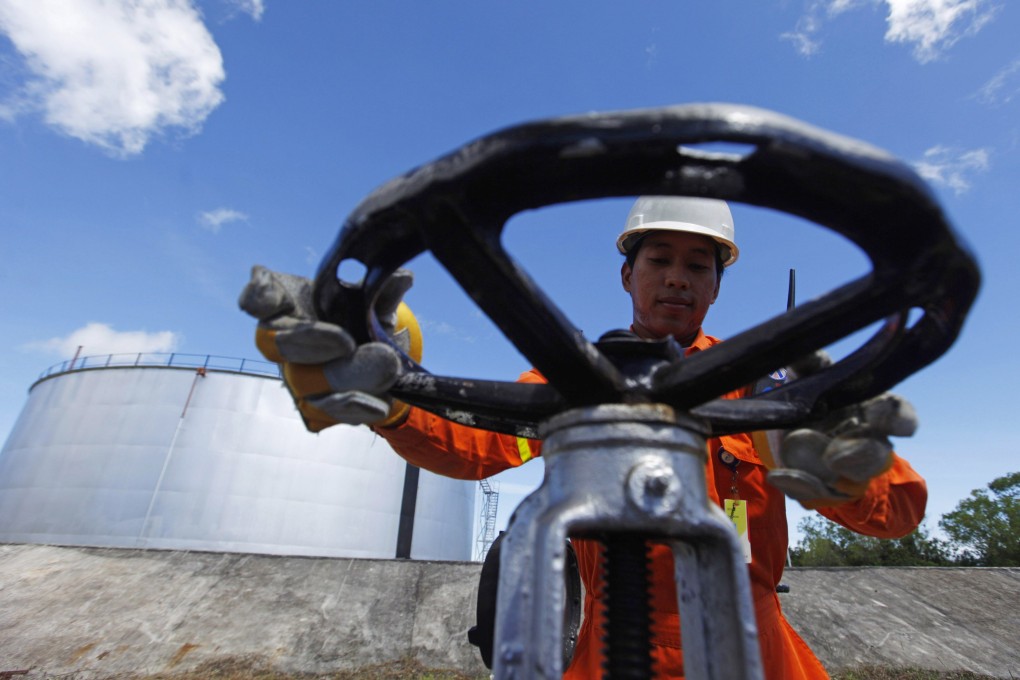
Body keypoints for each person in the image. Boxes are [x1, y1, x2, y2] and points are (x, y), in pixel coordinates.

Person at [240, 196, 927, 679]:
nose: (678, 277)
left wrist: (844, 453)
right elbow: (475, 446)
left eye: (699, 264)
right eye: (660, 259)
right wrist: (389, 403)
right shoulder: (570, 380)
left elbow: (899, 513)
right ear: (629, 274)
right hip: (611, 645)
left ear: (717, 286)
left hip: (754, 649)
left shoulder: (767, 389)